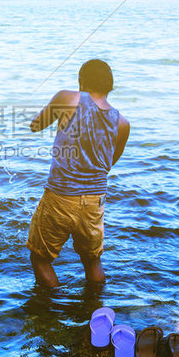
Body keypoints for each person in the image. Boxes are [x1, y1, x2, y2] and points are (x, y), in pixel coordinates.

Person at [27, 59, 130, 287]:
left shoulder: (67, 98)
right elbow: (108, 164)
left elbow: (35, 125)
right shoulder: (122, 123)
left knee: (40, 258)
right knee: (92, 260)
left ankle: (49, 311)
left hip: (61, 196)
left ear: (81, 81)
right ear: (109, 86)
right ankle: (94, 309)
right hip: (95, 200)